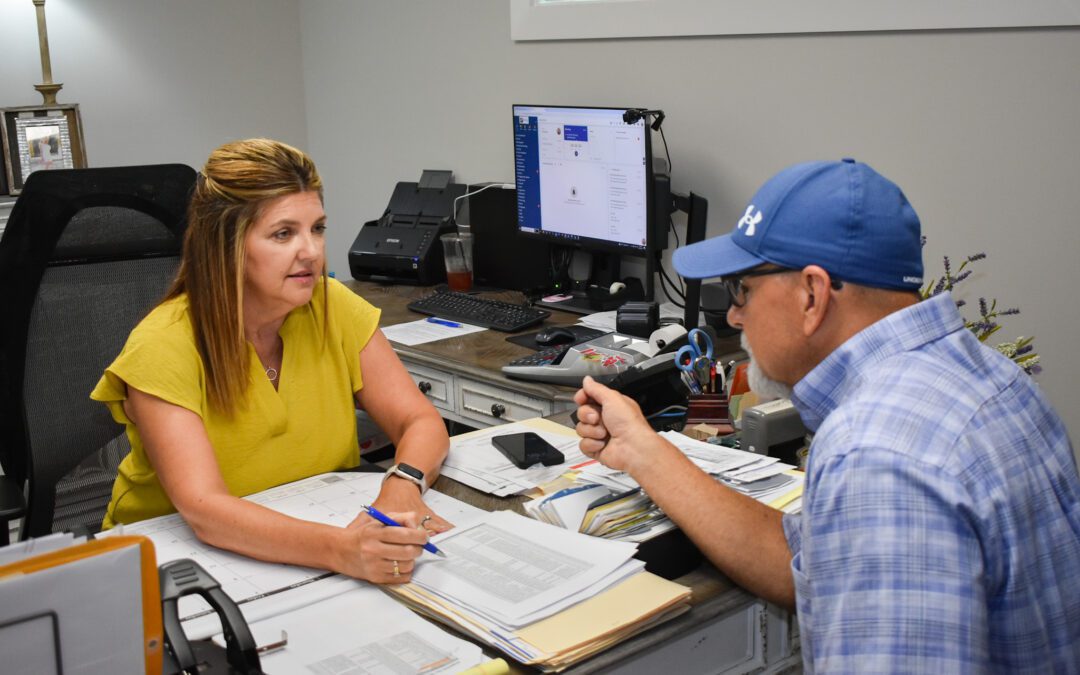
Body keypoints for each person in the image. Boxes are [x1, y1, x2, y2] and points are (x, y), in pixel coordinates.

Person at [575, 158, 1080, 671]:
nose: (733, 315)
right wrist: (642, 448)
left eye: (742, 289)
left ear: (812, 294)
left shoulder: (877, 453)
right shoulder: (987, 376)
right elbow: (809, 565)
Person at [92, 138, 451, 584]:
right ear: (225, 245)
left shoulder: (331, 305)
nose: (312, 252)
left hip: (302, 534)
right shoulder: (163, 345)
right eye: (283, 234)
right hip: (167, 565)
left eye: (317, 229)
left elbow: (418, 420)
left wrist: (404, 483)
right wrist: (341, 550)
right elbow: (205, 509)